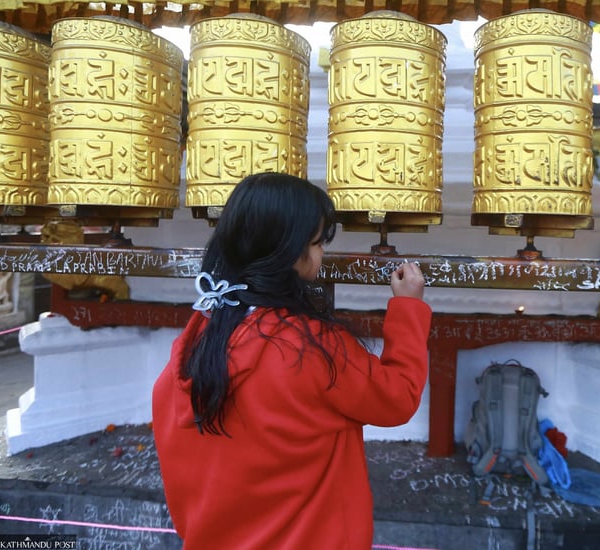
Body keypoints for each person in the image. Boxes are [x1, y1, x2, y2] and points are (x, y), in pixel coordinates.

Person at [151, 172, 432, 549]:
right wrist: (408, 307)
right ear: (287, 252)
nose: (321, 253)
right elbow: (397, 397)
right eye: (316, 243)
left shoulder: (197, 338)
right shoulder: (310, 348)